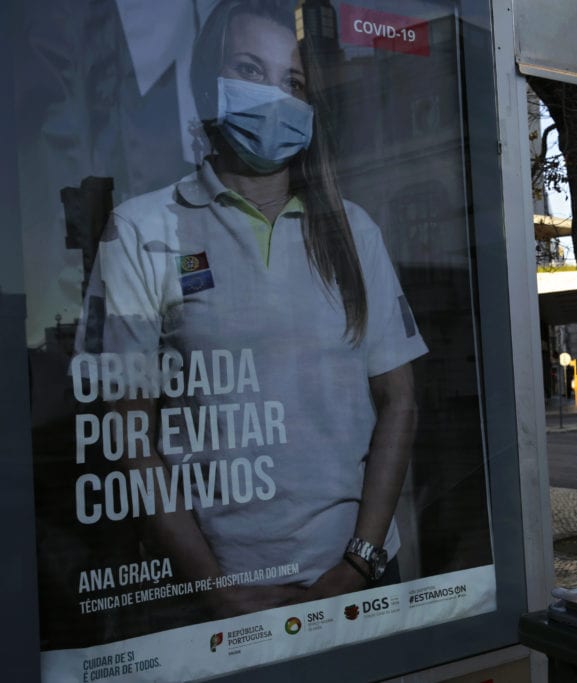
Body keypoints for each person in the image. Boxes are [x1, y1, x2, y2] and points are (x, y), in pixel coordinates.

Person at [76, 0, 427, 618]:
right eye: (250, 70)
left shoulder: (354, 231)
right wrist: (213, 585)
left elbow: (398, 400)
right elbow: (129, 431)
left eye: (292, 82)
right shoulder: (139, 230)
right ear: (209, 85)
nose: (273, 97)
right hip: (227, 591)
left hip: (359, 576)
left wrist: (360, 561)